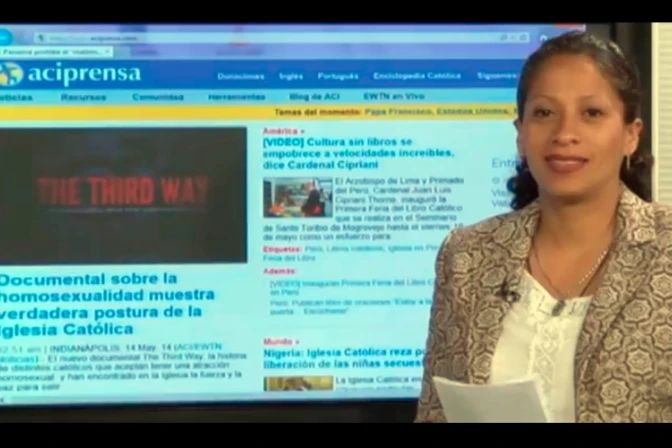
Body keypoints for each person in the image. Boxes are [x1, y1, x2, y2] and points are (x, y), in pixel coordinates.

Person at [415, 31, 672, 423]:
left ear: (630, 136)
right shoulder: (466, 257)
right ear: (520, 134)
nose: (564, 134)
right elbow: (436, 414)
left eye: (592, 113)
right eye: (544, 113)